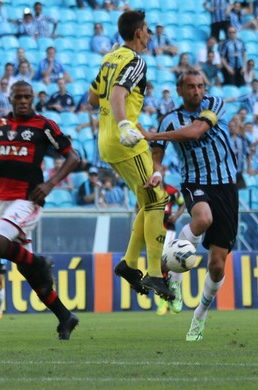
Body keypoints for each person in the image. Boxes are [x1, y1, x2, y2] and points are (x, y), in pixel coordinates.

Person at [0, 80, 80, 340]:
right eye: (18, 97)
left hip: (29, 200)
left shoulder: (44, 125)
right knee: (29, 273)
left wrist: (50, 184)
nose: (23, 101)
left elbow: (73, 157)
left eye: (27, 97)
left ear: (33, 99)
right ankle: (65, 317)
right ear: (10, 99)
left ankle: (42, 262)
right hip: (4, 202)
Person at [141, 69, 239, 341]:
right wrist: (157, 171)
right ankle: (174, 278)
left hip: (227, 187)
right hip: (195, 181)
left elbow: (196, 132)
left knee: (217, 265)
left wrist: (151, 135)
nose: (197, 91)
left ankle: (199, 316)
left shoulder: (215, 103)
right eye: (191, 86)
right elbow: (158, 151)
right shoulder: (169, 119)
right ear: (179, 90)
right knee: (202, 218)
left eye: (200, 86)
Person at [87, 10, 174, 301]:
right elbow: (115, 95)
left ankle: (128, 264)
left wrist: (128, 122)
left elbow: (92, 97)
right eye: (147, 30)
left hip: (107, 141)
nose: (149, 35)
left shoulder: (110, 58)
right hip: (126, 143)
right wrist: (124, 123)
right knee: (158, 200)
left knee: (146, 202)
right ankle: (153, 272)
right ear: (138, 33)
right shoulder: (136, 61)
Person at [155, 172, 186, 316]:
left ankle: (169, 297)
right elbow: (137, 207)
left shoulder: (172, 191)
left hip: (168, 229)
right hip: (154, 230)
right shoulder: (149, 189)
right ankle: (164, 299)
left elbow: (182, 204)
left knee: (165, 261)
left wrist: (177, 216)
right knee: (158, 265)